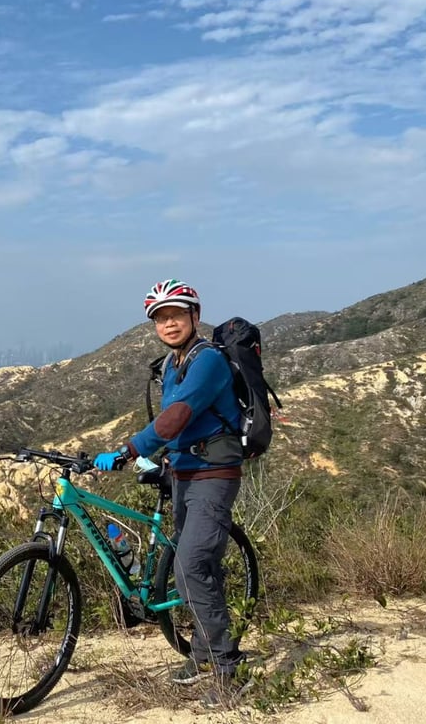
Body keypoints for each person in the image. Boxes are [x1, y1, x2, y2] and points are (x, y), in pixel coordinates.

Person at [93, 278, 246, 707]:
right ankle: (200, 652)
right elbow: (175, 424)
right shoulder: (171, 364)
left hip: (214, 473)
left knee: (191, 563)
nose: (169, 323)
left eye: (177, 314)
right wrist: (155, 460)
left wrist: (128, 450)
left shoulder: (209, 361)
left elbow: (178, 415)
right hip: (182, 471)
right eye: (161, 318)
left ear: (195, 316)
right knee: (191, 565)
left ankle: (228, 669)